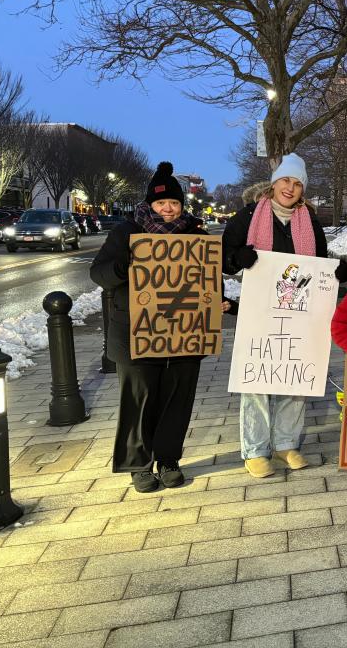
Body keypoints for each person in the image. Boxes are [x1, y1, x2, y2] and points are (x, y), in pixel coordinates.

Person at [91, 161, 236, 493]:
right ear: (149, 204)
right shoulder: (126, 233)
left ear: (181, 204)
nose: (168, 208)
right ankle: (138, 464)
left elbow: (207, 281)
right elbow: (99, 274)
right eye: (161, 203)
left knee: (177, 400)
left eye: (173, 202)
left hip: (185, 332)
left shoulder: (196, 235)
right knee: (139, 399)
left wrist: (219, 302)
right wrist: (121, 267)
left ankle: (168, 459)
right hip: (136, 333)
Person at [222, 153, 347, 478]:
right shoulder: (249, 215)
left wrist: (337, 275)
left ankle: (285, 444)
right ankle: (255, 450)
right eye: (285, 181)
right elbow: (224, 258)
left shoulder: (309, 222)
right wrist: (239, 256)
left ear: (302, 190)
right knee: (257, 380)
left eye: (297, 184)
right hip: (259, 312)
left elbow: (319, 264)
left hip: (299, 313)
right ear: (274, 183)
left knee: (296, 379)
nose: (290, 188)